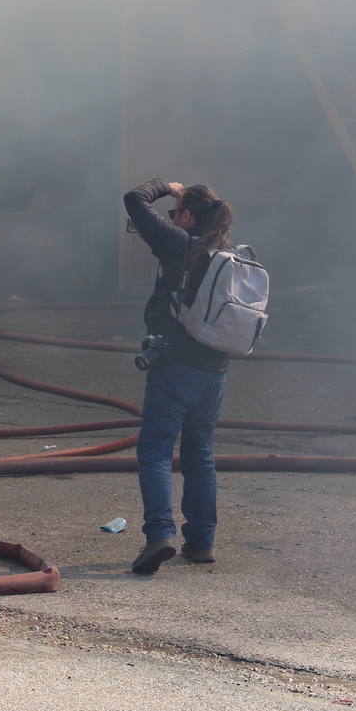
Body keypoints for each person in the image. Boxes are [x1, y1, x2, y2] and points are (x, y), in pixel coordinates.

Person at [122, 178, 235, 574]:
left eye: (176, 212)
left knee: (154, 451)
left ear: (187, 216)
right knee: (200, 455)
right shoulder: (226, 257)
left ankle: (159, 536)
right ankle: (201, 543)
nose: (171, 217)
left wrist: (166, 187)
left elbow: (133, 199)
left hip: (174, 367)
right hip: (214, 371)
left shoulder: (178, 244)